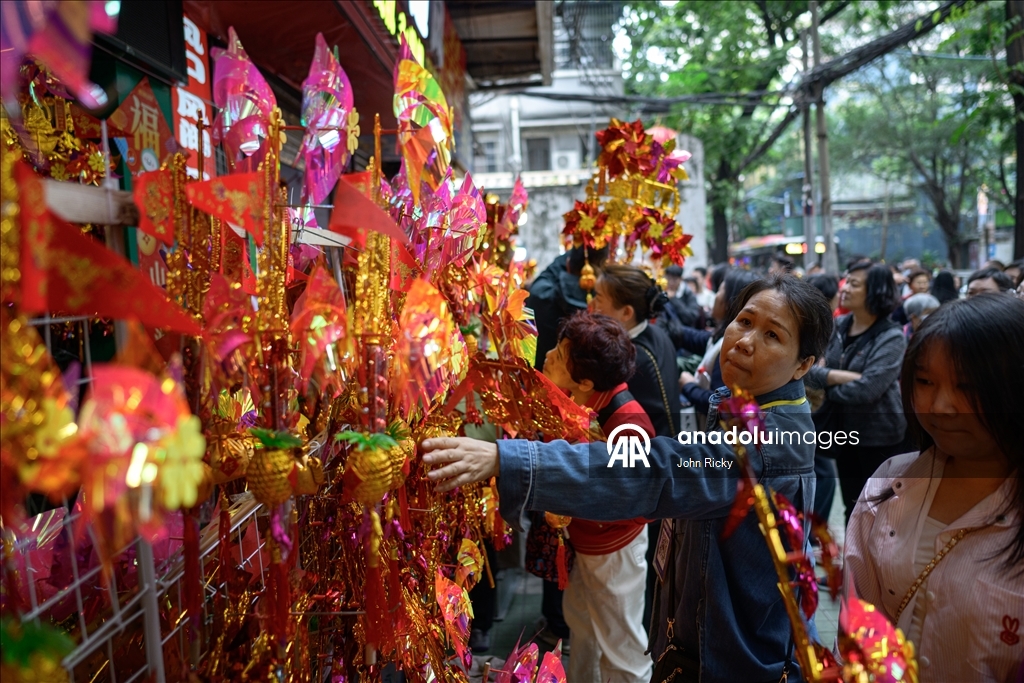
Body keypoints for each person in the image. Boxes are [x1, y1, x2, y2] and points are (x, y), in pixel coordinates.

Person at [422, 274, 835, 683]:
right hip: (711, 634)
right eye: (744, 321)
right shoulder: (744, 403)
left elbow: (653, 471)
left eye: (772, 336)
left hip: (740, 656)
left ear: (804, 364)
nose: (746, 340)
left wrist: (509, 460)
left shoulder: (768, 440)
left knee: (619, 642)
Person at [843, 294, 1024, 682]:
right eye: (925, 381)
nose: (940, 405)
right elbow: (861, 621)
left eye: (968, 386)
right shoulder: (890, 485)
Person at [539, 311, 655, 683]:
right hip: (585, 540)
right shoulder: (577, 399)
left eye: (559, 356)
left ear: (585, 381)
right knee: (583, 627)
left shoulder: (627, 425)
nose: (549, 357)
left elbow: (634, 499)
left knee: (622, 646)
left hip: (613, 547)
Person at [804, 260, 907, 523]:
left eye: (854, 283)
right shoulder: (839, 326)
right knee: (853, 507)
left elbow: (867, 390)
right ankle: (853, 563)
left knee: (882, 511)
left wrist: (829, 389)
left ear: (875, 291)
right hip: (845, 432)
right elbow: (809, 370)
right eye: (846, 281)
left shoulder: (891, 336)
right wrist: (840, 376)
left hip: (881, 436)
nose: (844, 288)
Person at [590, 265, 681, 439]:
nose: (591, 305)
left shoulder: (632, 358)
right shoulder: (656, 332)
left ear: (626, 312)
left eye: (599, 298)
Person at [677, 268, 761, 421]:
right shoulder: (722, 337)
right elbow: (699, 339)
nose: (715, 296)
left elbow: (723, 404)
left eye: (720, 290)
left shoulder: (734, 349)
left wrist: (689, 386)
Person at [526, 245, 609, 372]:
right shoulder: (605, 305)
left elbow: (550, 272)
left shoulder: (542, 295)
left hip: (536, 377)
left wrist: (580, 246)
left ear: (569, 263)